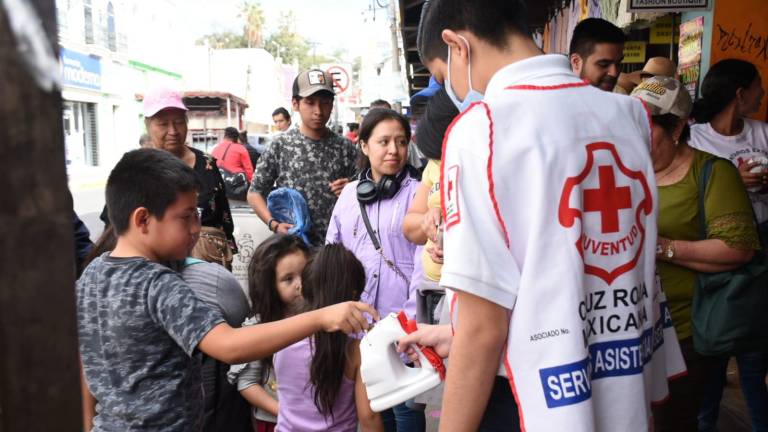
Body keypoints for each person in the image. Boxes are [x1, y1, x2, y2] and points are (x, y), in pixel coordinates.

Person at [407, 1, 683, 431]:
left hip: (530, 402)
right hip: (619, 386)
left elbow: (483, 327)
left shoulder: (483, 129)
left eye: (444, 79)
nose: (453, 94)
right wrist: (454, 337)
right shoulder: (630, 116)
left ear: (456, 45)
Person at [77, 148, 378, 431]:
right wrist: (321, 317)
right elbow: (230, 347)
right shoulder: (159, 285)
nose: (197, 227)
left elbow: (86, 361)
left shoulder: (91, 275)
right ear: (143, 219)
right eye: (187, 216)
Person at [628, 76, 761, 431]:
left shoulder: (712, 173)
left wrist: (661, 247)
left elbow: (738, 248)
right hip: (631, 327)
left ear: (677, 128)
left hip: (685, 331)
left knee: (678, 420)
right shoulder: (625, 172)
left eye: (647, 127)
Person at [326, 109, 424, 431]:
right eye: (383, 141)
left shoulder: (419, 194)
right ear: (365, 145)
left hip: (404, 327)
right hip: (358, 326)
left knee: (407, 408)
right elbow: (333, 255)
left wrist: (406, 322)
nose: (393, 150)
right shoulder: (349, 197)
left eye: (400, 141)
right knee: (369, 413)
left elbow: (425, 265)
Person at [687, 59, 768, 432]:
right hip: (713, 251)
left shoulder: (762, 133)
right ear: (741, 94)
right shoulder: (695, 138)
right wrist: (729, 180)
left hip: (761, 248)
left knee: (754, 353)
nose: (763, 95)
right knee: (713, 355)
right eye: (758, 88)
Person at [274, 244, 384, 432]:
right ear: (354, 296)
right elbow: (369, 417)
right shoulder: (356, 351)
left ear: (305, 287)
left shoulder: (281, 335)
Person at [248, 70, 358, 245]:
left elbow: (367, 193)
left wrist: (352, 190)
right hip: (295, 249)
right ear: (295, 104)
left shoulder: (346, 148)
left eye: (325, 103)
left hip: (337, 250)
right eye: (310, 102)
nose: (319, 111)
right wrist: (274, 224)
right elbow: (255, 193)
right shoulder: (280, 145)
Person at [228, 234, 310, 432]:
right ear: (268, 285)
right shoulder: (259, 327)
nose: (300, 284)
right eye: (288, 279)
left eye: (305, 274)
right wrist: (284, 412)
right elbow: (247, 384)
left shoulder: (320, 317)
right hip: (275, 421)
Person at [139, 87, 237, 252]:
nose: (173, 131)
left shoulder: (207, 163)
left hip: (207, 261)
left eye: (178, 122)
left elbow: (224, 216)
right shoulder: (137, 170)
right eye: (163, 124)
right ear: (148, 126)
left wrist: (227, 255)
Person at [402, 87, 459, 325]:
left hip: (462, 289)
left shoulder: (478, 161)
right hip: (431, 285)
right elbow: (409, 225)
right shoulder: (433, 165)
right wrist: (427, 219)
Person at [568, 18, 625, 92]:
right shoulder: (556, 100)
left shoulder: (620, 98)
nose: (614, 73)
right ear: (576, 62)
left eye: (618, 64)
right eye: (603, 64)